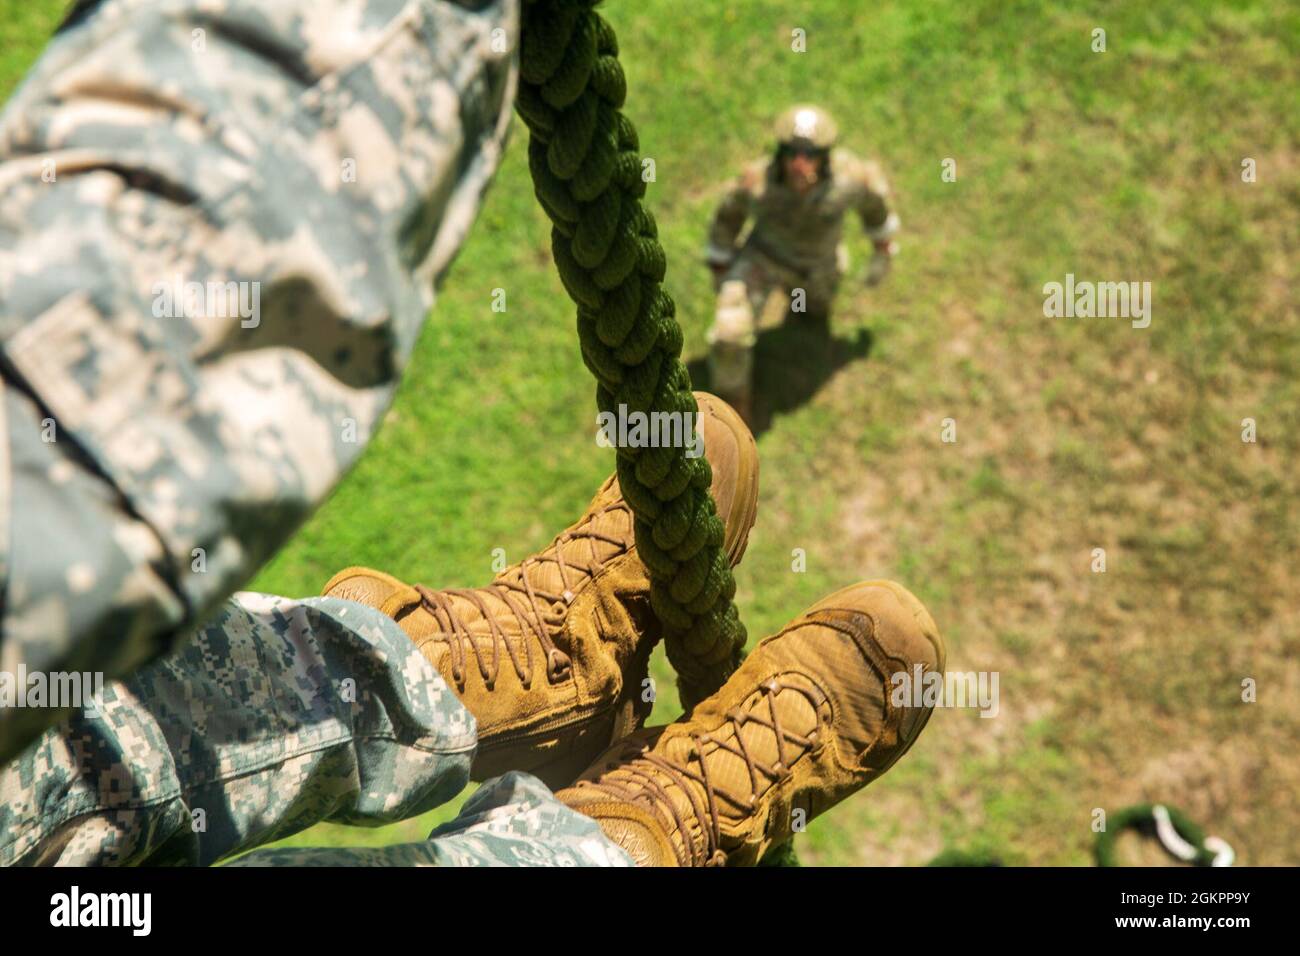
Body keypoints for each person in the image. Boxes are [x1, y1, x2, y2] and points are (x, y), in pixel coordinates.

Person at [0, 0, 943, 867]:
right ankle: (624, 843)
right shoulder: (763, 183)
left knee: (95, 724)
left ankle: (478, 682)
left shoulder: (847, 182)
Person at [705, 105, 900, 422]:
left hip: (818, 266)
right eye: (791, 153)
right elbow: (727, 220)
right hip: (763, 261)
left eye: (810, 154)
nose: (799, 163)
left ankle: (809, 315)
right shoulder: (756, 182)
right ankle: (730, 418)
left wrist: (883, 253)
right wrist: (720, 266)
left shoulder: (852, 179)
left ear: (825, 156)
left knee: (813, 314)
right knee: (729, 334)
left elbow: (877, 210)